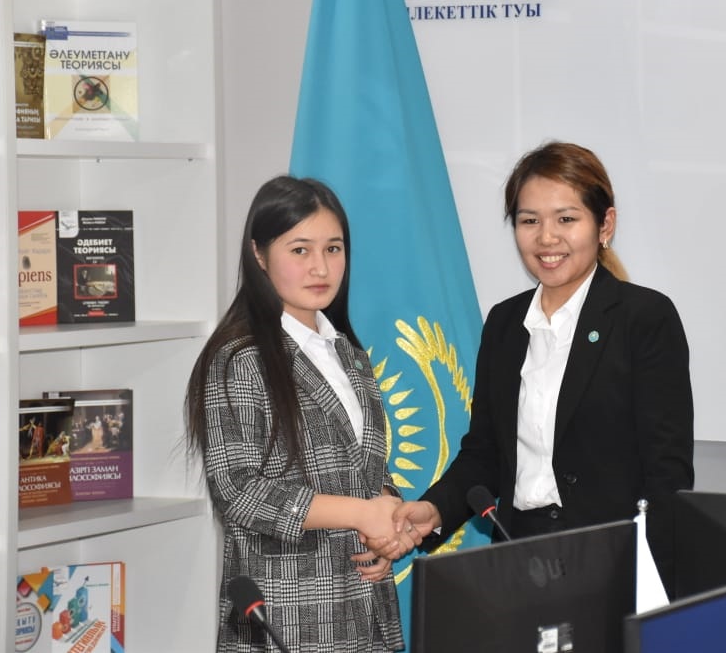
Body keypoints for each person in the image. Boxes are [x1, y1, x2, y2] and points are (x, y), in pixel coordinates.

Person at [381, 141, 694, 595]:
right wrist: (435, 510)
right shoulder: (505, 323)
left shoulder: (644, 318)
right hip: (519, 559)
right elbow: (485, 453)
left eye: (566, 219)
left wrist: (651, 584)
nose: (546, 238)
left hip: (614, 562)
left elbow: (667, 474)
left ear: (605, 224)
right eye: (529, 221)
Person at [184, 175, 413, 653]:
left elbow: (363, 467)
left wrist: (387, 517)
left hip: (365, 609)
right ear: (259, 254)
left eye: (333, 249)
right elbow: (238, 491)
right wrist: (361, 512)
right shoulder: (239, 358)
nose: (320, 267)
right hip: (284, 617)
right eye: (300, 250)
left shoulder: (348, 353)